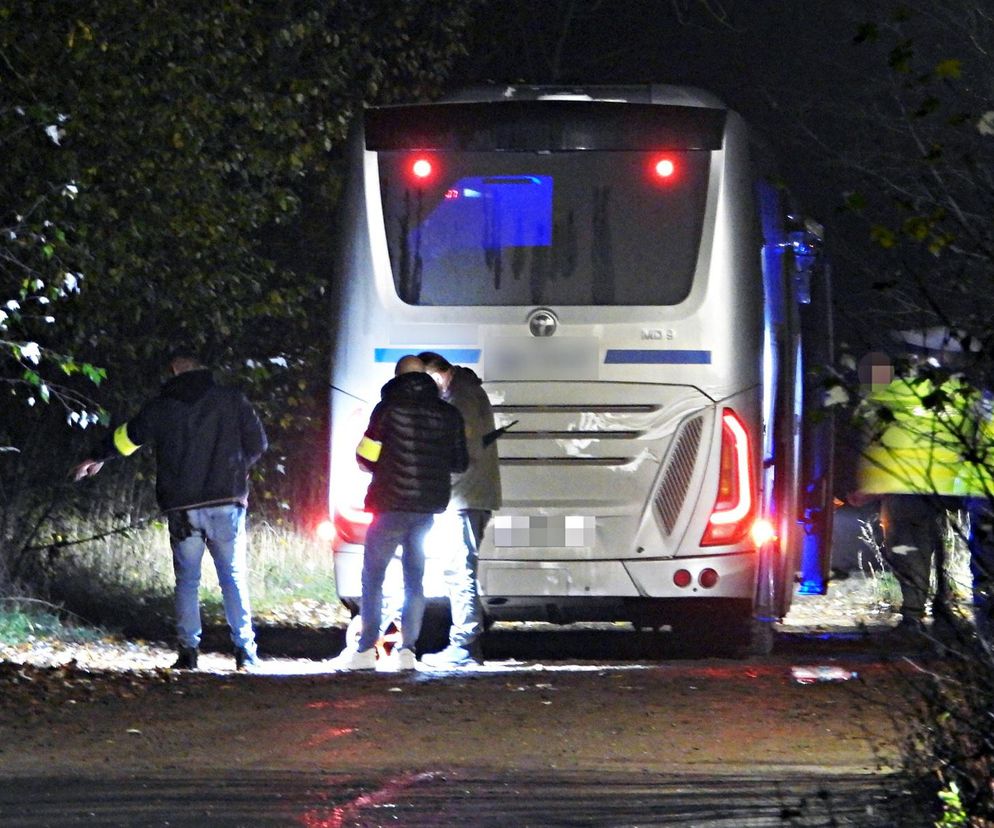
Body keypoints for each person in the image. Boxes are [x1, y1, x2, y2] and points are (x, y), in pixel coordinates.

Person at [72, 350, 268, 671]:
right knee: (232, 577)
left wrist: (96, 457)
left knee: (187, 581)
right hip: (225, 504)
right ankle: (245, 652)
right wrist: (234, 472)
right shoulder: (232, 400)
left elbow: (127, 437)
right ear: (202, 368)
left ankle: (188, 652)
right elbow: (258, 444)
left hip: (182, 509)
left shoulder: (162, 406)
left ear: (175, 370)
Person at [328, 355, 468, 671]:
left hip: (388, 504)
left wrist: (383, 465)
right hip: (425, 508)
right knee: (414, 581)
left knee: (373, 578)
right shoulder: (448, 413)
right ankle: (408, 651)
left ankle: (365, 652)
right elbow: (460, 462)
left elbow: (365, 456)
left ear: (397, 377)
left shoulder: (386, 409)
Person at [850, 349, 971, 639]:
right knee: (935, 549)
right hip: (942, 490)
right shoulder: (949, 397)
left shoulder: (892, 400)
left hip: (904, 491)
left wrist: (868, 489)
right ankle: (942, 609)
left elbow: (881, 448)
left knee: (907, 552)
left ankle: (914, 617)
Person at [415, 352, 503, 669]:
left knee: (458, 570)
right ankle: (468, 644)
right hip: (471, 495)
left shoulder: (460, 398)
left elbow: (463, 450)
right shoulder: (466, 391)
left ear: (437, 375)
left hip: (464, 497)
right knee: (460, 568)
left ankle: (463, 645)